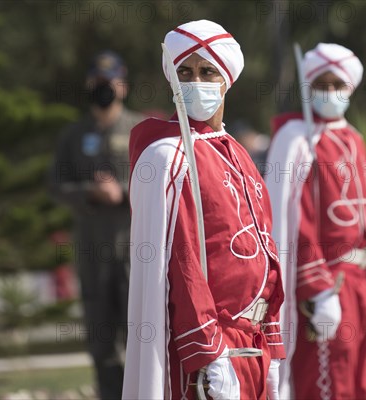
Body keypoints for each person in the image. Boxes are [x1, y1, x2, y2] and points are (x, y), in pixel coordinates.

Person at [123, 20, 285, 400]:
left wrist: (274, 349)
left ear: (226, 79)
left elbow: (267, 252)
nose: (195, 81)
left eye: (207, 71)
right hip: (213, 356)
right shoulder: (169, 157)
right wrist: (209, 354)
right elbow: (183, 264)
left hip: (254, 347)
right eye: (184, 72)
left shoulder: (238, 153)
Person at [265, 43, 366, 399]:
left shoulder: (354, 138)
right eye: (321, 84)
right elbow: (294, 218)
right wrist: (317, 289)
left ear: (350, 88)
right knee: (329, 382)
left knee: (360, 378)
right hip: (325, 288)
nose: (330, 93)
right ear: (308, 87)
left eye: (337, 85)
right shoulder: (296, 139)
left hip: (361, 286)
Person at [49, 51, 143, 399]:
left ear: (123, 86)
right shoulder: (73, 136)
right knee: (101, 342)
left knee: (141, 335)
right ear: (89, 85)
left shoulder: (141, 130)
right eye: (98, 83)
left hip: (135, 251)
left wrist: (119, 191)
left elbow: (162, 183)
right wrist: (89, 191)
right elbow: (56, 185)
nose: (104, 89)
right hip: (91, 252)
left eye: (110, 82)